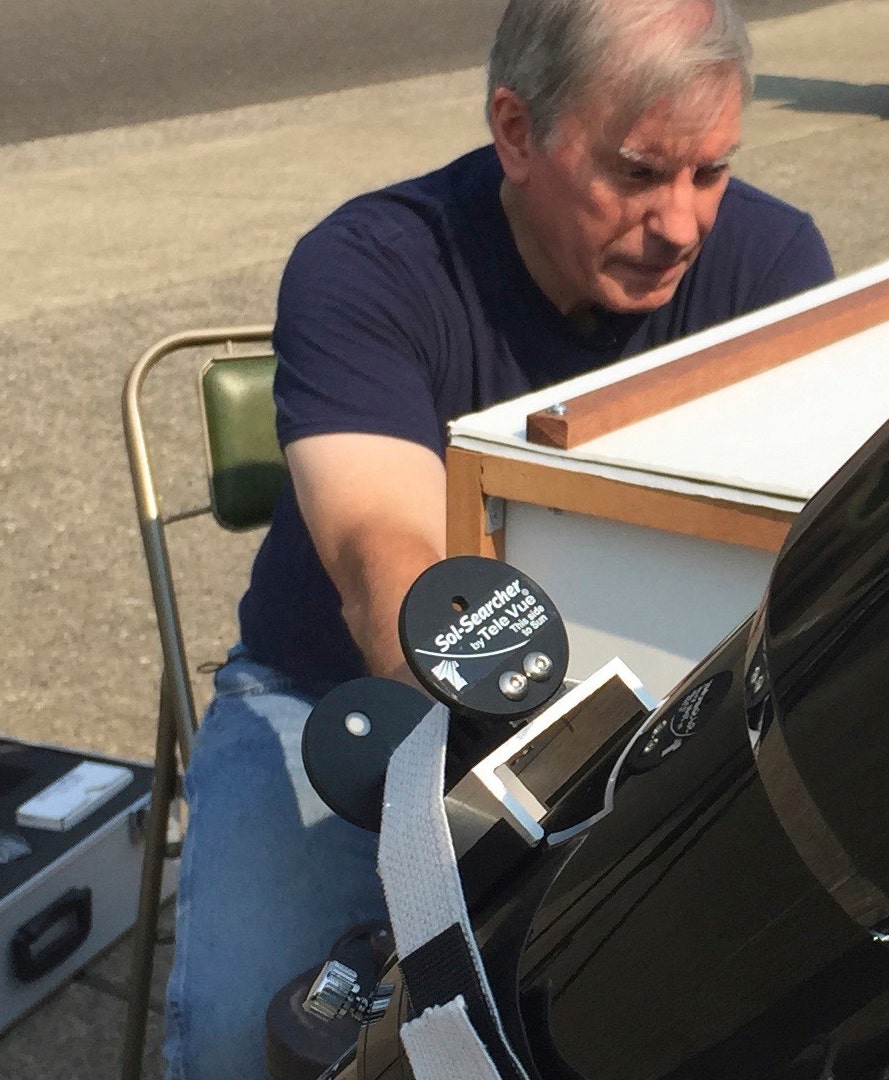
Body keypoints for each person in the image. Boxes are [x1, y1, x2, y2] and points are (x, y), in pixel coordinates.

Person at [162, 0, 833, 1075]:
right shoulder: (366, 264)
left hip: (659, 705)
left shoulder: (773, 262)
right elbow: (384, 551)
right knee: (255, 1042)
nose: (684, 225)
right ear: (517, 132)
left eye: (711, 173)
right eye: (639, 172)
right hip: (336, 698)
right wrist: (493, 812)